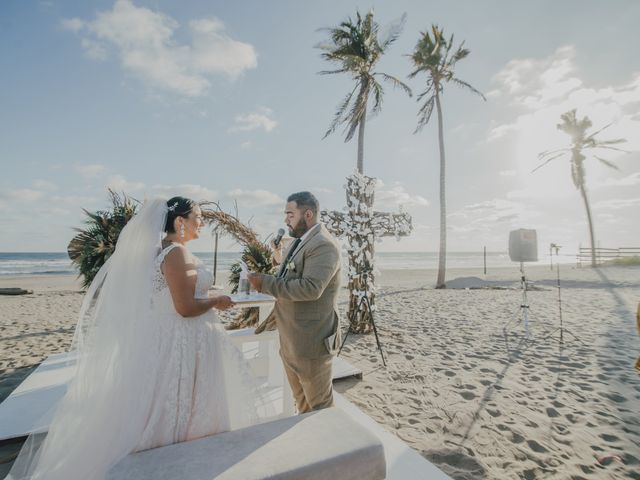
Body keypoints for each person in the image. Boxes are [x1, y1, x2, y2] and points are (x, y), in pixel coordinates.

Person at [8, 197, 269, 480]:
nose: (202, 222)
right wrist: (216, 300)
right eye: (198, 216)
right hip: (181, 341)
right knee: (178, 409)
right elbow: (185, 308)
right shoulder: (177, 254)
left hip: (169, 338)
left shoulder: (164, 252)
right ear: (180, 222)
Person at [248, 191, 342, 413]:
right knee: (302, 405)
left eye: (290, 214)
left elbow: (310, 288)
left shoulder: (323, 245)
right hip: (291, 340)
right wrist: (275, 258)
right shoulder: (300, 241)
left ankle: (328, 447)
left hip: (312, 343)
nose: (285, 220)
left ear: (308, 214)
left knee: (321, 408)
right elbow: (288, 274)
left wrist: (266, 283)